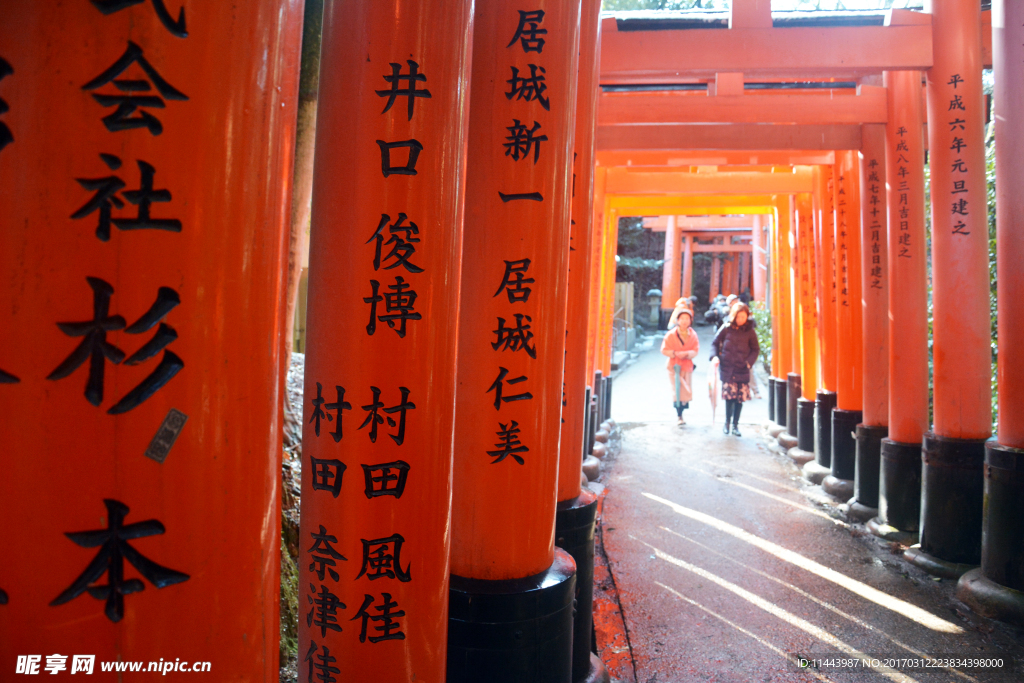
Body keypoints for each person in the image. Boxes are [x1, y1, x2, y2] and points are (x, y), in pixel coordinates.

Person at [710, 301, 760, 436]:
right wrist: (714, 357)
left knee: (739, 399)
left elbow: (755, 349)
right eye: (738, 317)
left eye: (743, 317)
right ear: (733, 316)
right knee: (729, 398)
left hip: (742, 369)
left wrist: (749, 363)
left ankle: (735, 425)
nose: (741, 320)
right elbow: (714, 343)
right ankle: (726, 423)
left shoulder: (750, 332)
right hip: (728, 368)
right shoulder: (726, 328)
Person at [661, 302, 699, 426]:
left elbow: (695, 350)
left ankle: (682, 411)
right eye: (682, 318)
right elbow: (664, 349)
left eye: (686, 319)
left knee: (685, 391)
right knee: (677, 390)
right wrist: (674, 353)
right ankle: (679, 415)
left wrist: (687, 353)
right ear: (677, 320)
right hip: (674, 366)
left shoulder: (693, 335)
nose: (684, 321)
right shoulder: (671, 335)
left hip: (686, 366)